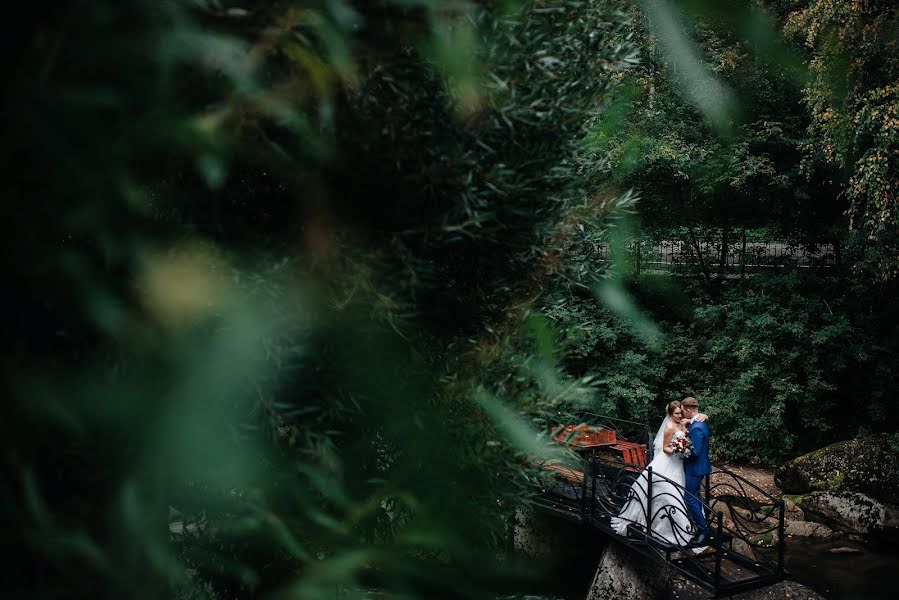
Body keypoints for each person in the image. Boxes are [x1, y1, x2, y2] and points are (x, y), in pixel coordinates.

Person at [610, 401, 700, 546]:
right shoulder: (670, 427)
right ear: (670, 414)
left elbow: (696, 417)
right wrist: (679, 450)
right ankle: (669, 527)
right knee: (667, 492)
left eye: (680, 413)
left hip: (678, 464)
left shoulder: (681, 423)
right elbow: (665, 448)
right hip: (667, 461)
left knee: (678, 491)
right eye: (676, 413)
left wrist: (703, 416)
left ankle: (681, 525)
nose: (679, 415)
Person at [681, 396, 711, 546]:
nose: (681, 413)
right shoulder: (699, 422)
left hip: (695, 468)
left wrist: (679, 451)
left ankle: (703, 530)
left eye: (682, 410)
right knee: (696, 496)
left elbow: (695, 452)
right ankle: (702, 524)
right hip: (698, 467)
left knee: (690, 497)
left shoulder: (698, 427)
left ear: (688, 410)